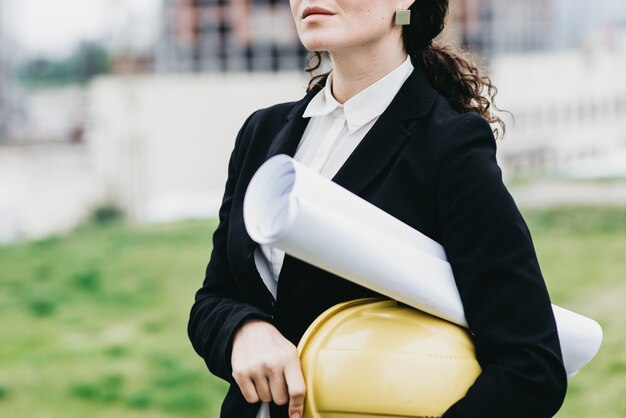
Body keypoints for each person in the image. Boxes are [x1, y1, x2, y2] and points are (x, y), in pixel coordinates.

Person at [188, 1, 568, 418]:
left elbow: (531, 368)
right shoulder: (261, 133)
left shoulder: (449, 148)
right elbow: (214, 298)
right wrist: (243, 330)